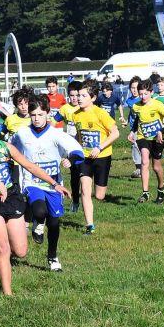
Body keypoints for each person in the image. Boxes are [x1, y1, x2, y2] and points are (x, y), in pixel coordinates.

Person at [0, 108, 65, 296]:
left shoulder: (5, 147)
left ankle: (5, 254)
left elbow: (30, 166)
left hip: (11, 198)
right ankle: (8, 294)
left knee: (21, 251)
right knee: (3, 247)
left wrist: (54, 183)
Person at [10, 102, 81, 271]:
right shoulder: (22, 134)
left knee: (54, 224)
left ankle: (52, 257)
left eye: (40, 114)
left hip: (53, 185)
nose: (36, 118)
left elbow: (77, 151)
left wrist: (69, 160)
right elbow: (9, 148)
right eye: (33, 115)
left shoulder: (57, 134)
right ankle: (38, 222)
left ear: (48, 113)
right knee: (40, 211)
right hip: (31, 182)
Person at [69, 83, 120, 233]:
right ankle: (89, 225)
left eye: (83, 96)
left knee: (99, 195)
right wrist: (73, 151)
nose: (79, 98)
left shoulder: (101, 113)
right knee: (85, 189)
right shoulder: (75, 114)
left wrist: (100, 147)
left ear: (93, 98)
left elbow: (115, 133)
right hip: (84, 158)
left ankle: (98, 195)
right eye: (78, 95)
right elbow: (79, 136)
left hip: (102, 157)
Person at [127, 80, 164, 204]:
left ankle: (161, 188)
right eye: (140, 94)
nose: (143, 97)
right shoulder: (136, 106)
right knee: (144, 161)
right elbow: (138, 119)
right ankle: (145, 193)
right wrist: (132, 131)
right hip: (143, 137)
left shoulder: (158, 105)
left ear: (151, 92)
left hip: (157, 138)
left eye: (145, 94)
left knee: (156, 167)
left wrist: (161, 131)